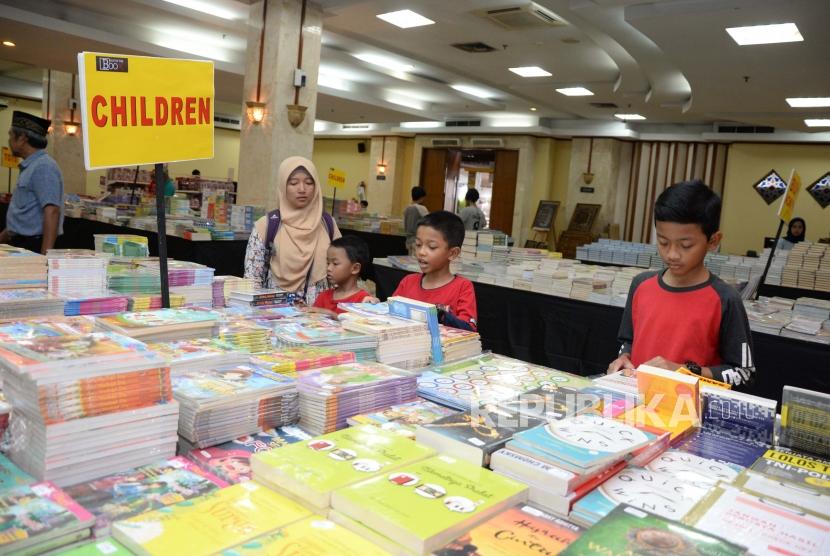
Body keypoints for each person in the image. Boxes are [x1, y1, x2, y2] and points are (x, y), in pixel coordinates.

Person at [607, 180, 755, 389]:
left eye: (686, 245)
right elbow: (628, 341)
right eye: (663, 242)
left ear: (713, 241)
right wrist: (624, 358)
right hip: (637, 401)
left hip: (689, 411)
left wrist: (686, 371)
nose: (672, 254)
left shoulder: (724, 298)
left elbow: (743, 373)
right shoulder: (641, 284)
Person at [244, 156, 341, 305]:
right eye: (293, 183)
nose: (302, 189)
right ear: (283, 186)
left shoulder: (327, 224)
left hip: (319, 317)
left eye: (309, 183)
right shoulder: (268, 225)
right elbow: (252, 279)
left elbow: (340, 273)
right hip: (276, 315)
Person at [392, 211, 477, 331]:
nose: (421, 252)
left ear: (453, 253)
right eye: (418, 244)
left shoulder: (463, 287)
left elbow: (468, 329)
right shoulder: (408, 282)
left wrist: (441, 316)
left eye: (431, 247)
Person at [0, 111, 63, 254]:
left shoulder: (44, 167)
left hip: (32, 245)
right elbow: (24, 213)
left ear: (22, 138)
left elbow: (52, 211)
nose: (9, 140)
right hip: (19, 244)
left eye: (11, 135)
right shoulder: (31, 166)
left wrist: (44, 259)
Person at [311, 235, 372, 316]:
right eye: (328, 263)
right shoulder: (323, 296)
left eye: (335, 263)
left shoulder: (364, 301)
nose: (328, 268)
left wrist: (330, 314)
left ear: (355, 268)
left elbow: (359, 325)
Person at [404, 186, 429, 256]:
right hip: (417, 241)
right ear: (422, 197)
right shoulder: (421, 208)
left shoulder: (407, 208)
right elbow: (430, 223)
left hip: (408, 241)